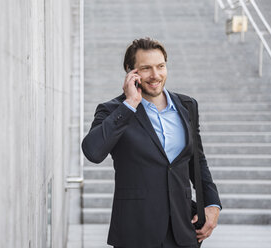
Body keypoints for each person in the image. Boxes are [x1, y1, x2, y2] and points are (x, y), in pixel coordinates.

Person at [82, 37, 222, 248]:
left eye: (161, 66)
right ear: (130, 71)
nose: (155, 75)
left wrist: (212, 203)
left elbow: (197, 161)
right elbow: (93, 152)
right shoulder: (113, 111)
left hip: (183, 230)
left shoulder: (187, 105)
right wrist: (129, 104)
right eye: (146, 68)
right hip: (136, 231)